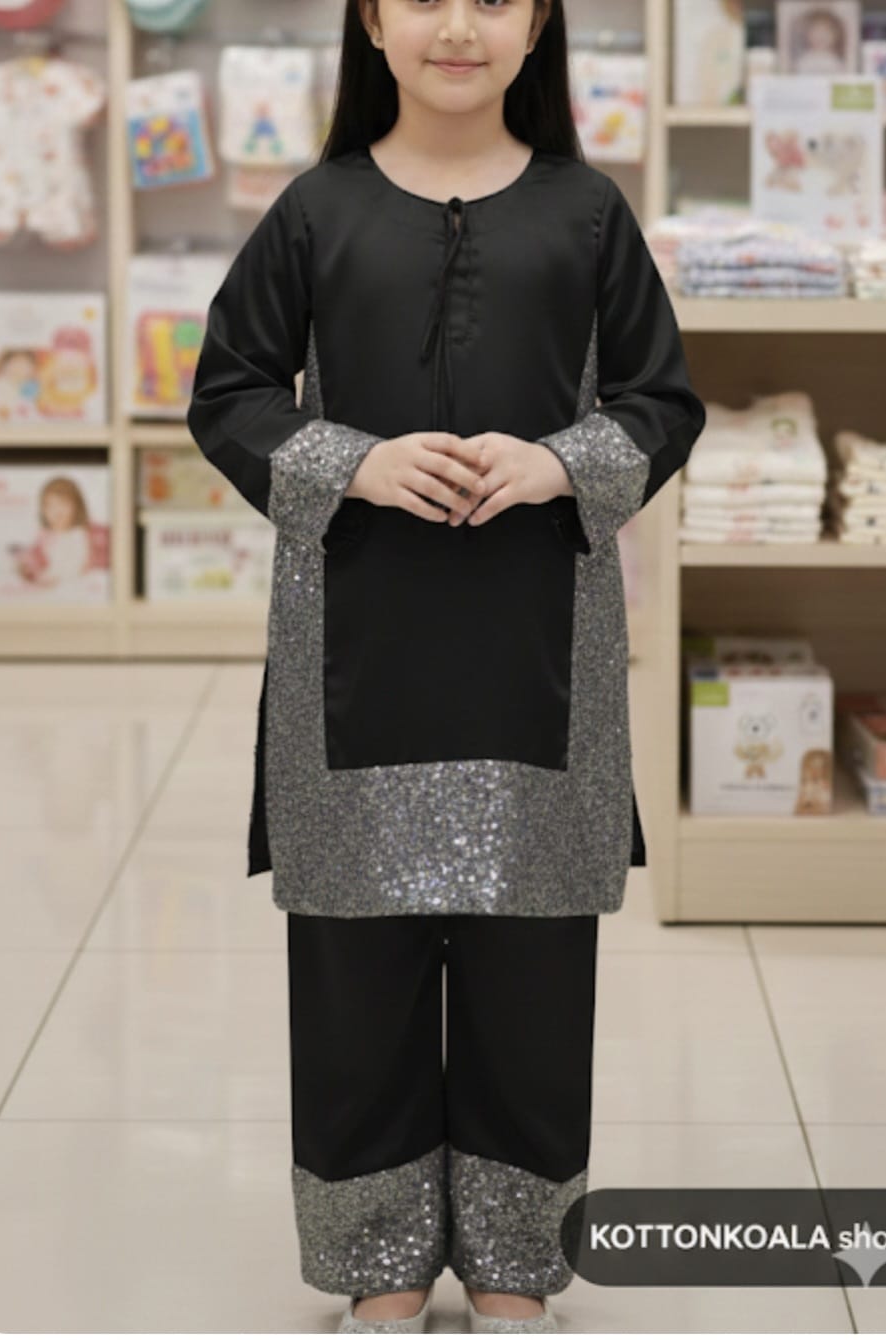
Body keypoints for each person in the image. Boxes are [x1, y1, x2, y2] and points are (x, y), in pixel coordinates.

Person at [186, 0, 707, 1328]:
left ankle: (516, 1261)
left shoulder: (589, 214)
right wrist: (354, 462)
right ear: (372, 21)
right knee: (352, 974)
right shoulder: (315, 211)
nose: (457, 26)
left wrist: (558, 463)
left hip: (540, 657)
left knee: (533, 973)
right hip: (354, 658)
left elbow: (660, 399)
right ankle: (382, 1258)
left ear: (537, 25)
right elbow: (229, 392)